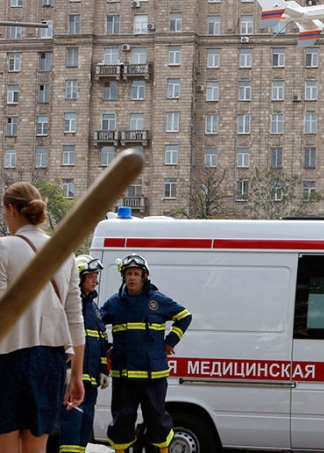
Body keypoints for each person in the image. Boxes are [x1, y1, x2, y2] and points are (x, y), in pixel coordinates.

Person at [0, 182, 85, 453]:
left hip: (7, 359)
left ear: (11, 209)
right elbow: (75, 318)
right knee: (38, 447)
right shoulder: (65, 253)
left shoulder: (3, 248)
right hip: (50, 361)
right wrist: (77, 375)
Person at [100, 254, 192, 453]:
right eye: (129, 274)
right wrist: (106, 346)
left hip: (153, 375)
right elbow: (96, 324)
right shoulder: (114, 303)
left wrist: (170, 342)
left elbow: (185, 316)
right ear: (124, 277)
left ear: (144, 277)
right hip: (124, 376)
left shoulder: (158, 301)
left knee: (158, 422)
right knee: (122, 422)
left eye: (136, 274)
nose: (132, 278)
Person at [58, 255, 111, 453]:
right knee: (71, 429)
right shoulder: (69, 305)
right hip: (72, 381)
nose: (95, 280)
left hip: (90, 382)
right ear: (78, 278)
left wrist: (104, 370)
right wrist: (66, 368)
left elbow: (100, 341)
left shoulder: (94, 309)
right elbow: (59, 339)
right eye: (91, 276)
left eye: (96, 276)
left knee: (84, 431)